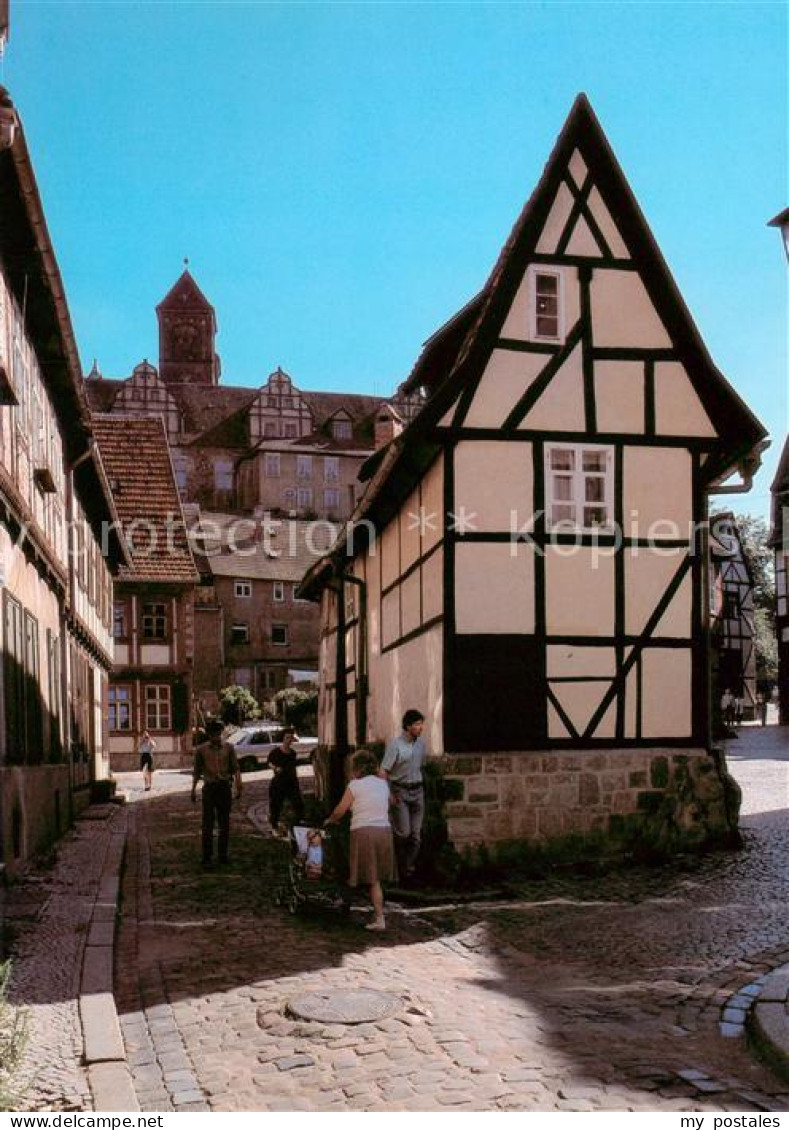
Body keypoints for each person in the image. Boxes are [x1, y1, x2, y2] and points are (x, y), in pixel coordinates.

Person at [325, 749, 396, 931]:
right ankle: (374, 911)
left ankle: (379, 918)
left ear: (356, 768)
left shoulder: (354, 786)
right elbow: (390, 802)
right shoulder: (382, 784)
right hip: (384, 831)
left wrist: (330, 820)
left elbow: (340, 810)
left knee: (369, 877)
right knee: (376, 876)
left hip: (364, 832)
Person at [381, 708, 426, 880]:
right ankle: (395, 864)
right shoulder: (395, 745)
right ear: (408, 726)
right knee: (404, 833)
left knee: (416, 836)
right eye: (417, 724)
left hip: (418, 791)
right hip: (400, 791)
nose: (421, 728)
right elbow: (383, 771)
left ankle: (406, 868)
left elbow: (421, 766)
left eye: (421, 724)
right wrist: (389, 794)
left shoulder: (421, 744)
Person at [191, 719, 242, 867]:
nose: (216, 737)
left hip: (224, 787)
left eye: (218, 733)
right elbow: (196, 771)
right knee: (207, 824)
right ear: (209, 735)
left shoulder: (229, 748)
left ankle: (223, 855)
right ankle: (207, 857)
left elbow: (235, 768)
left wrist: (239, 784)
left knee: (224, 823)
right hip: (209, 788)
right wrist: (193, 789)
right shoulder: (201, 750)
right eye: (213, 734)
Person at [267, 727, 304, 836]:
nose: (289, 740)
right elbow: (269, 762)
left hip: (291, 783)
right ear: (283, 739)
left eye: (290, 738)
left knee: (298, 804)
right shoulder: (276, 752)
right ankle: (274, 827)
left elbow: (293, 768)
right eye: (287, 738)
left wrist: (297, 782)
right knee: (276, 806)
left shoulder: (293, 753)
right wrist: (275, 768)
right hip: (278, 783)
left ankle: (295, 827)